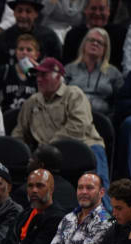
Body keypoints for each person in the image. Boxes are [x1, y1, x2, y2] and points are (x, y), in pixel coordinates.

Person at [12, 57, 110, 199]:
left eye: (44, 75)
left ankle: (105, 216)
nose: (39, 79)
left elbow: (78, 126)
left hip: (86, 146)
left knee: (97, 188)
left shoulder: (74, 94)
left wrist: (50, 146)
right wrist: (20, 151)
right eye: (37, 75)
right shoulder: (32, 102)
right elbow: (20, 131)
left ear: (58, 76)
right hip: (48, 156)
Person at [0, 0, 62, 91]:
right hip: (8, 91)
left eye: (28, 11)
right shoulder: (3, 38)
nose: (23, 15)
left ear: (36, 14)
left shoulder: (49, 36)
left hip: (40, 91)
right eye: (19, 11)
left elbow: (58, 66)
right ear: (14, 13)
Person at [64, 27, 124, 116]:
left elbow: (120, 100)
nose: (95, 43)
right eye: (91, 40)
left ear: (105, 49)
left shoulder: (114, 73)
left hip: (101, 118)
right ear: (84, 44)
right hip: (72, 114)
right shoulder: (69, 69)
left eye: (100, 42)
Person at [11, 144, 78, 212]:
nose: (29, 160)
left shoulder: (25, 192)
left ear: (41, 165)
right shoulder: (70, 188)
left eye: (33, 158)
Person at [62, 0, 126, 68]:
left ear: (108, 11)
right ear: (85, 10)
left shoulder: (120, 34)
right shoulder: (72, 35)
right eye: (93, 8)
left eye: (102, 9)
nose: (97, 13)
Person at [0, 33, 40, 112]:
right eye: (21, 49)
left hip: (31, 119)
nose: (24, 52)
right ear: (16, 52)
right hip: (7, 118)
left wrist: (40, 71)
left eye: (29, 50)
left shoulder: (40, 75)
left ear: (36, 55)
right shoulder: (5, 70)